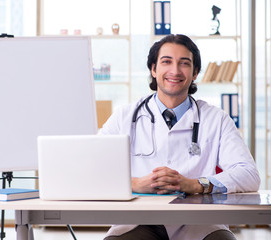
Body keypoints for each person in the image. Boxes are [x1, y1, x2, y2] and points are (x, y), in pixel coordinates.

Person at [99, 34, 260, 240]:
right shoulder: (125, 117)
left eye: (184, 63)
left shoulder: (216, 119)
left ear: (194, 73)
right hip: (139, 220)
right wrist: (135, 184)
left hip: (200, 222)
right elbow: (95, 170)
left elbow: (248, 174)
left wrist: (196, 184)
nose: (175, 71)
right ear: (154, 69)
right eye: (166, 62)